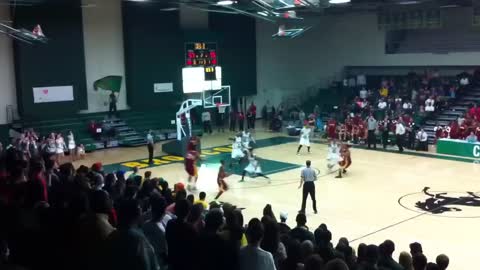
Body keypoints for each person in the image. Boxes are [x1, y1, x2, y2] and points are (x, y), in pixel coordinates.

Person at [104, 199, 159, 270]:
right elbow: (146, 264)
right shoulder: (137, 239)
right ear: (137, 213)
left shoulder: (112, 235)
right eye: (140, 208)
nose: (142, 211)